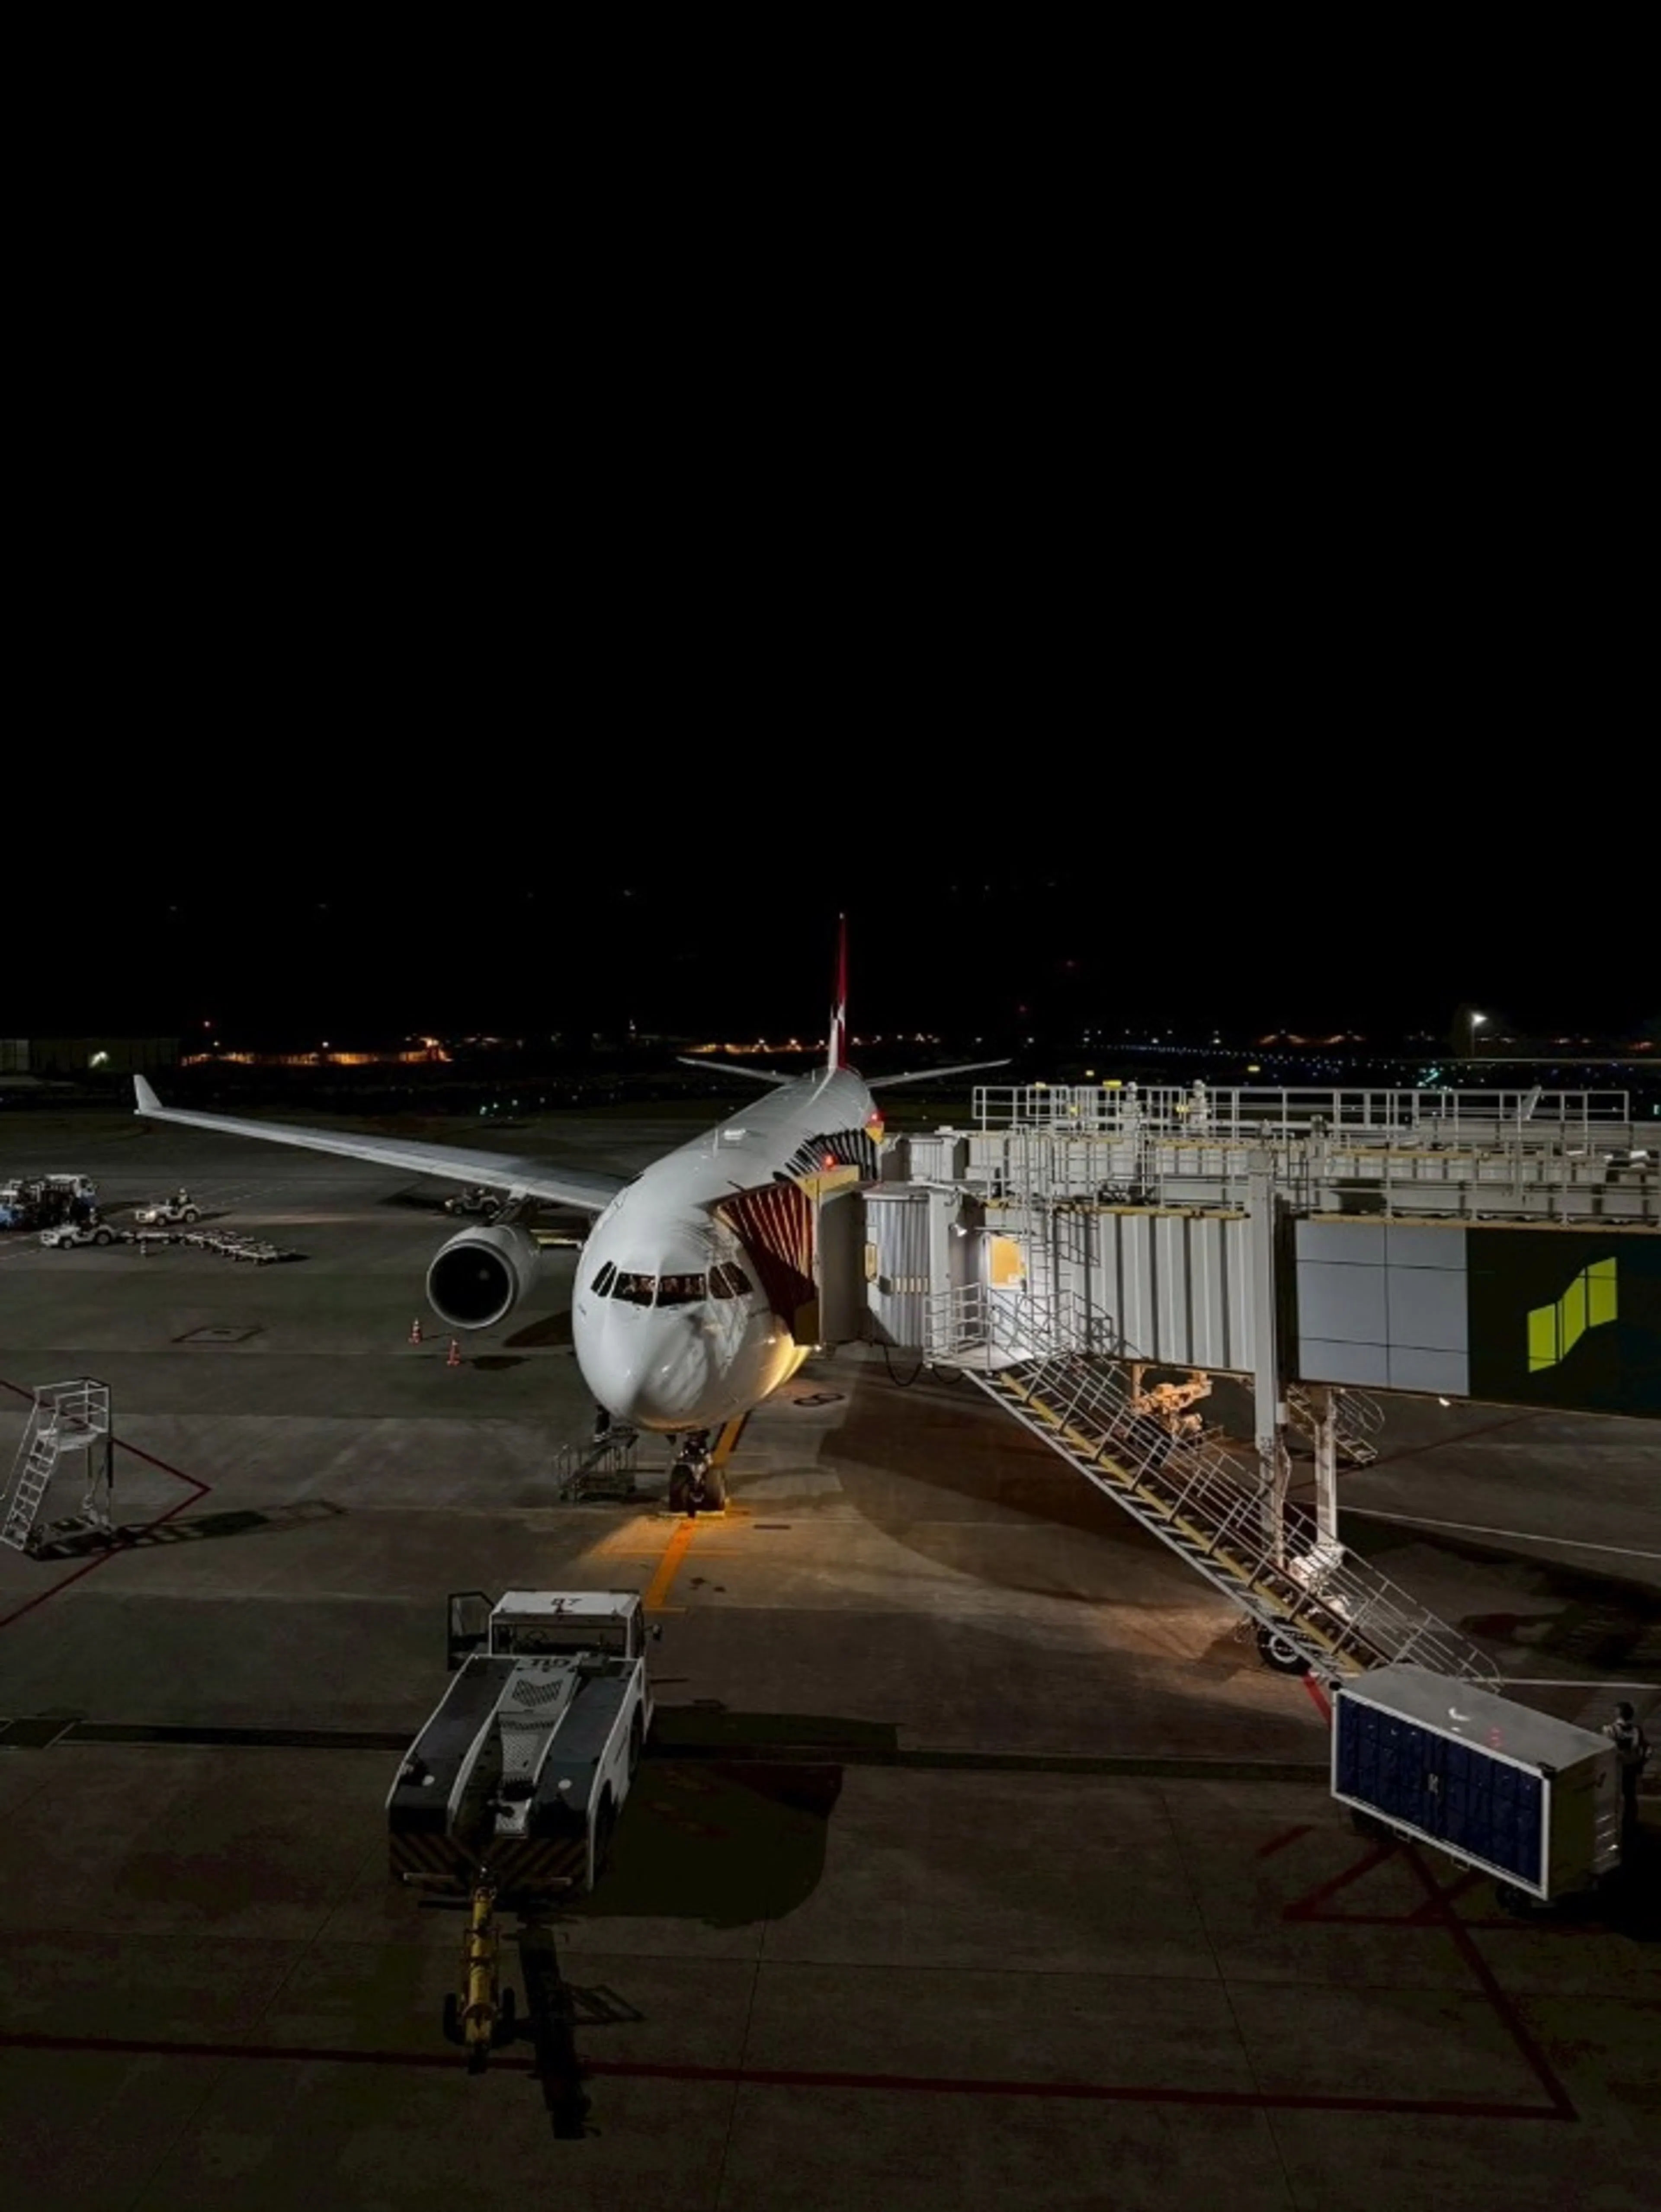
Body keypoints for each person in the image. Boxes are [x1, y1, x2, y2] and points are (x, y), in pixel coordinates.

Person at [1604, 1701, 1650, 1849]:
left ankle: (1616, 1825)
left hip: (1618, 1769)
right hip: (1632, 1768)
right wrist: (1642, 1762)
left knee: (1614, 1796)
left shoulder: (1610, 1730)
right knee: (1630, 1797)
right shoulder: (1637, 1730)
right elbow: (1647, 1749)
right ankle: (1631, 1822)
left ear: (1618, 1713)